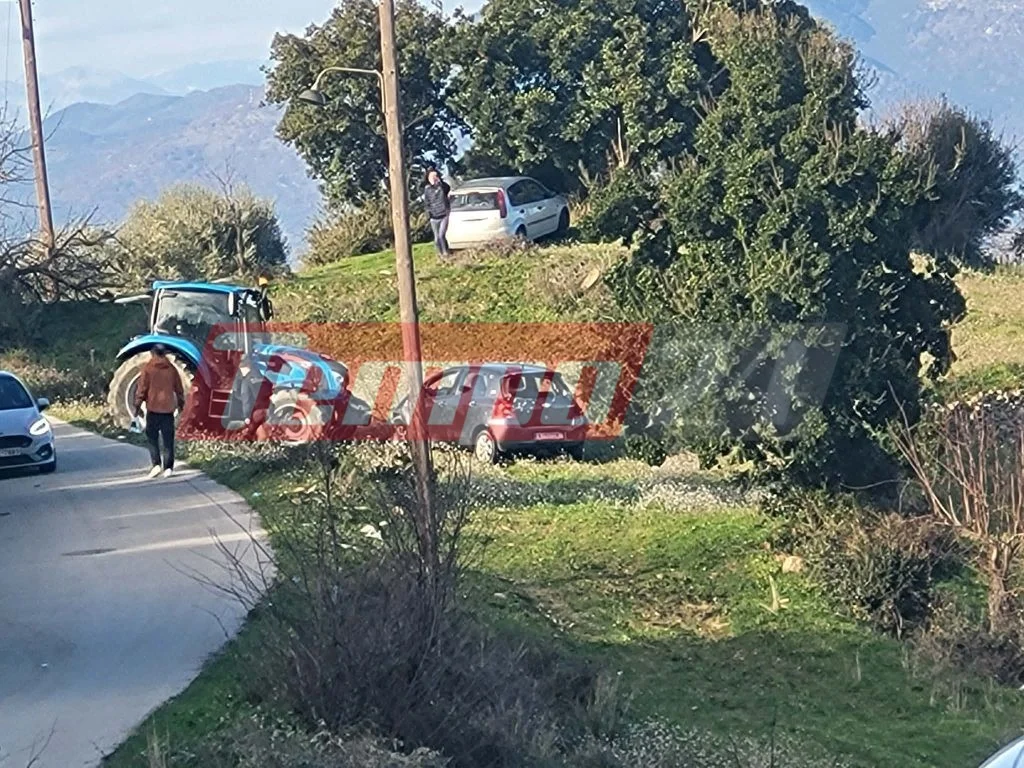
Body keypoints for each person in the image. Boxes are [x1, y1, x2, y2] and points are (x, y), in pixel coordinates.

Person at [134, 344, 186, 478]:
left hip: (153, 408)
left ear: (153, 353)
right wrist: (181, 405)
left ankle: (156, 465)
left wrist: (137, 405)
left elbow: (142, 389)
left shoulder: (148, 369)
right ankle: (168, 468)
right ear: (164, 354)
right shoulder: (172, 369)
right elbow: (179, 389)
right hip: (168, 409)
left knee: (152, 438)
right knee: (168, 439)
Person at [423, 167, 452, 259]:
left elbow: (447, 188)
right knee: (436, 239)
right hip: (434, 216)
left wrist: (440, 182)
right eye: (432, 176)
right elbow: (427, 202)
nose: (434, 178)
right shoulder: (427, 189)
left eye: (435, 176)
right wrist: (429, 213)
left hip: (444, 214)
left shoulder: (442, 187)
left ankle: (445, 253)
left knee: (441, 235)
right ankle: (440, 254)